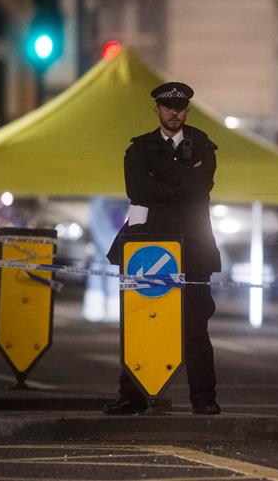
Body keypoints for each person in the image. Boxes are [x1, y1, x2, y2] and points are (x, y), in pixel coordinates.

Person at [102, 81, 222, 415]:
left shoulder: (203, 146)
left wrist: (162, 181)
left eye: (180, 107)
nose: (175, 112)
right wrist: (182, 180)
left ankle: (204, 398)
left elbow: (200, 186)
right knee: (140, 320)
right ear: (157, 109)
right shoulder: (139, 148)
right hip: (148, 248)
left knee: (196, 326)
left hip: (193, 250)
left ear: (187, 109)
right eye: (169, 107)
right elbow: (138, 190)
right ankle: (132, 395)